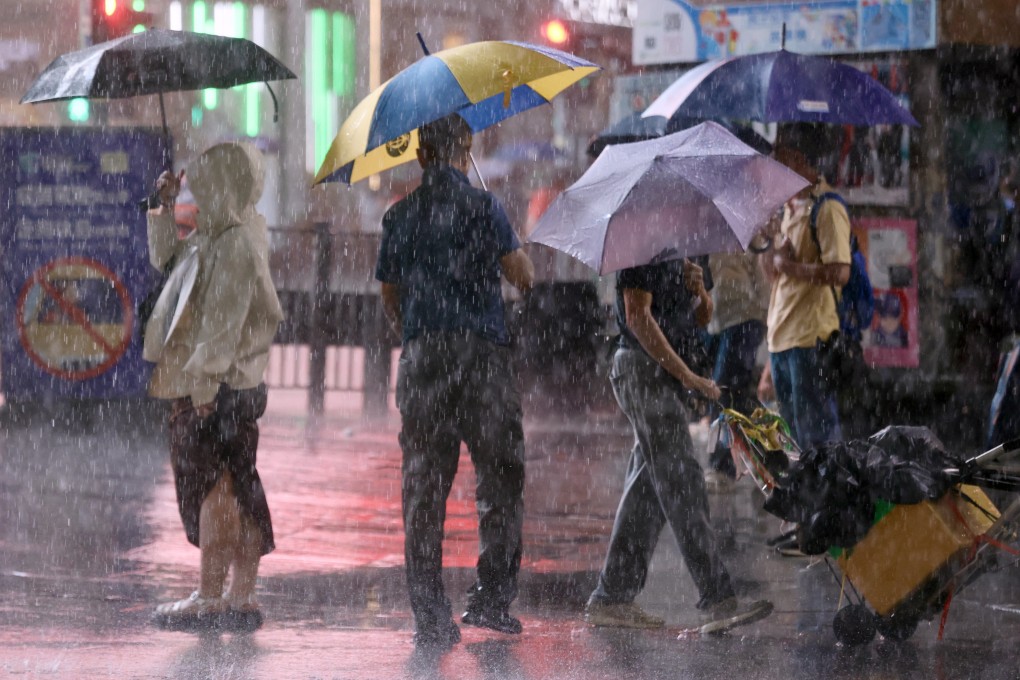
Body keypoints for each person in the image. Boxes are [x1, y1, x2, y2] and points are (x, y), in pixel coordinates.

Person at [376, 114, 535, 649]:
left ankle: (431, 614)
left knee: (424, 486)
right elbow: (524, 276)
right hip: (483, 359)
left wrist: (420, 335)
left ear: (420, 155)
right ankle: (491, 599)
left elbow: (390, 296)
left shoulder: (399, 217)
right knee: (500, 477)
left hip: (424, 358)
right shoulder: (484, 208)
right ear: (465, 151)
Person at [583, 254, 772, 633]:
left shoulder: (684, 249)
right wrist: (689, 377)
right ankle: (718, 598)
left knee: (649, 490)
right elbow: (637, 317)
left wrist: (700, 290)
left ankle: (612, 597)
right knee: (683, 481)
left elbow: (703, 320)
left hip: (666, 379)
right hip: (641, 370)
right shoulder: (642, 245)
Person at [145, 142, 283, 632]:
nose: (197, 197)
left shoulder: (235, 244)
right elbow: (168, 260)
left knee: (216, 488)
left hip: (220, 385)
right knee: (237, 485)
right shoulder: (218, 236)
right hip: (227, 383)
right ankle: (239, 597)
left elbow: (222, 325)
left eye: (205, 187)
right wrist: (164, 207)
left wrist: (203, 388)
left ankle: (212, 595)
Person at [758, 123, 851, 450]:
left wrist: (793, 267)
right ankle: (803, 496)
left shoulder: (827, 207)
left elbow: (840, 272)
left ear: (797, 160)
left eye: (780, 160)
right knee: (792, 438)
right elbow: (772, 274)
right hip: (781, 338)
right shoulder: (788, 209)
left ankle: (825, 497)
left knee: (816, 437)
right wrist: (772, 246)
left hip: (811, 339)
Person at [702, 250, 769, 491]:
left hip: (742, 318)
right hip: (716, 321)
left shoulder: (738, 227)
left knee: (723, 394)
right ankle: (765, 459)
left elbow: (759, 270)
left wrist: (764, 316)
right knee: (736, 396)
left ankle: (722, 468)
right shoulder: (700, 234)